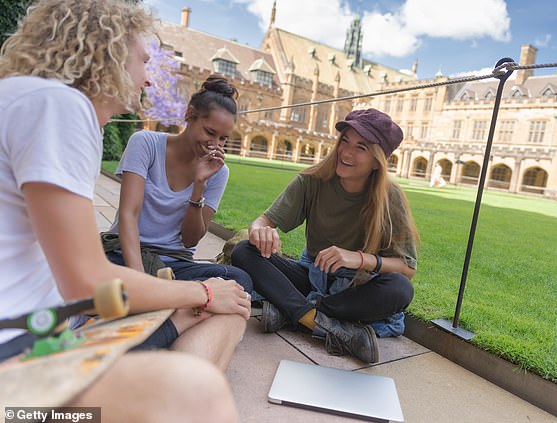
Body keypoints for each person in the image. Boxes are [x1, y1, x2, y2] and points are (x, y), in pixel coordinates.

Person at [0, 1, 247, 421]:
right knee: (202, 384)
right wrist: (201, 292)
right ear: (108, 52)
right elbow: (87, 282)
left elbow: (186, 241)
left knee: (229, 304)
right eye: (143, 60)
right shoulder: (60, 106)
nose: (148, 77)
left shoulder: (27, 96)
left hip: (49, 326)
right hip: (21, 360)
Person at [232, 108, 418, 364]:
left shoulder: (390, 198)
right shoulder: (312, 180)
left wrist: (359, 259)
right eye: (345, 141)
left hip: (356, 289)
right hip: (313, 278)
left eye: (361, 147)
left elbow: (406, 268)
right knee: (243, 251)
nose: (346, 153)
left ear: (377, 160)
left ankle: (291, 312)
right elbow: (262, 222)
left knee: (400, 289)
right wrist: (260, 231)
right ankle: (319, 323)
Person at [102, 75, 253, 296]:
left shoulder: (218, 172)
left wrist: (199, 185)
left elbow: (190, 240)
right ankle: (173, 298)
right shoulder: (145, 143)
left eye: (223, 139)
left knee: (240, 281)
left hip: (176, 265)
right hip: (126, 253)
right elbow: (128, 215)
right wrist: (139, 281)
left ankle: (167, 296)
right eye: (210, 132)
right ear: (189, 115)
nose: (215, 144)